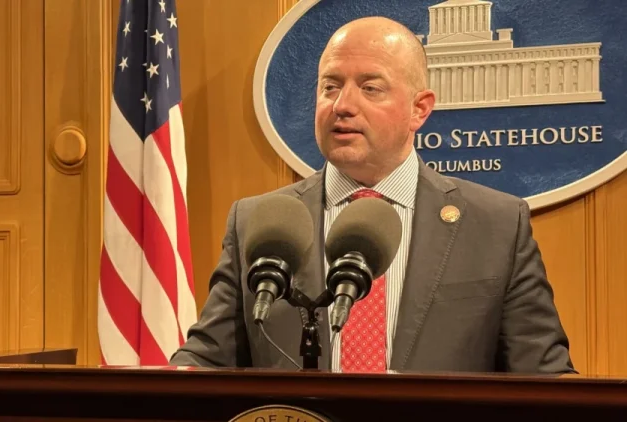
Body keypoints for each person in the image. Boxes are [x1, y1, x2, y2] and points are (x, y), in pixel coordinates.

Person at [168, 16, 575, 374]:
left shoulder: (497, 226)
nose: (342, 105)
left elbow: (543, 377)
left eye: (370, 88)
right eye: (330, 86)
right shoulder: (260, 224)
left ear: (420, 109)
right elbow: (205, 362)